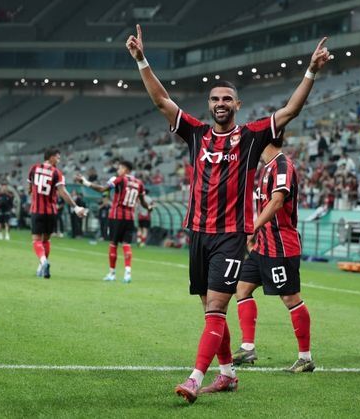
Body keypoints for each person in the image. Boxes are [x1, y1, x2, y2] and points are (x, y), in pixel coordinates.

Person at [126, 23, 331, 402]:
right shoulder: (196, 133)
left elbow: (290, 110)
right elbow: (161, 101)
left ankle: (194, 378)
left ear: (237, 105)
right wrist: (141, 61)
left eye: (227, 99)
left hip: (231, 236)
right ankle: (227, 374)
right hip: (198, 233)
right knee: (209, 309)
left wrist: (311, 71)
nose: (221, 103)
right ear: (210, 105)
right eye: (215, 99)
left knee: (218, 307)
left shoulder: (251, 137)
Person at [232, 137, 314, 372]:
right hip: (263, 246)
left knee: (290, 299)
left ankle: (306, 357)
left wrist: (253, 228)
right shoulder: (267, 167)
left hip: (281, 246)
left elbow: (277, 201)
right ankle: (247, 347)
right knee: (242, 288)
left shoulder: (282, 165)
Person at [76, 161, 151, 283]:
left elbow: (102, 189)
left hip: (116, 217)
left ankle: (112, 273)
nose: (118, 170)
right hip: (130, 218)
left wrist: (85, 182)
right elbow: (143, 202)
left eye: (120, 168)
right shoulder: (139, 183)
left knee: (113, 244)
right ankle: (127, 273)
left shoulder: (119, 179)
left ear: (125, 169)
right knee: (126, 244)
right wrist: (149, 208)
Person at [28, 148, 87, 279]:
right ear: (51, 157)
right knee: (46, 240)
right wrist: (76, 207)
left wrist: (35, 193)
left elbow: (29, 188)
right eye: (57, 157)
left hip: (37, 210)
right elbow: (63, 192)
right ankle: (41, 267)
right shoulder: (57, 173)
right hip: (51, 212)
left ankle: (43, 262)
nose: (59, 160)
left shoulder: (34, 168)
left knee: (36, 240)